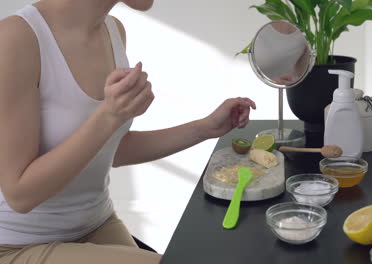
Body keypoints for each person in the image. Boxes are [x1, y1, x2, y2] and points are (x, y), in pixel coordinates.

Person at [0, 0, 256, 263]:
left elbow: (112, 150)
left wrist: (204, 128)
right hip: (17, 245)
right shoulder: (16, 38)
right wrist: (109, 116)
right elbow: (20, 195)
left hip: (96, 224)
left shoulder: (112, 31)